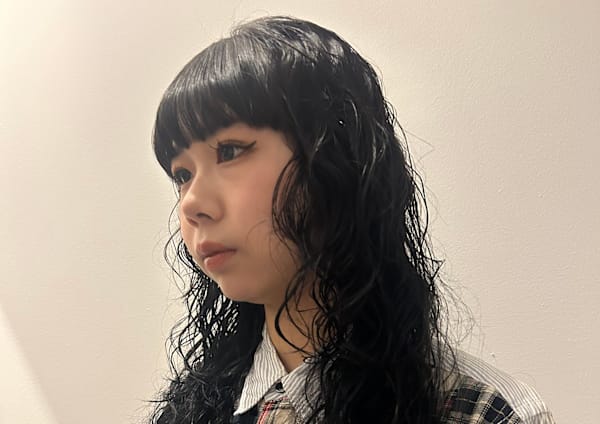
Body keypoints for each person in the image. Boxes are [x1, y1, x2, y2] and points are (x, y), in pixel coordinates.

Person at [150, 16, 554, 424]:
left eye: (230, 151)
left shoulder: (482, 413)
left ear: (335, 159)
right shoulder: (190, 411)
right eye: (182, 175)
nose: (192, 203)